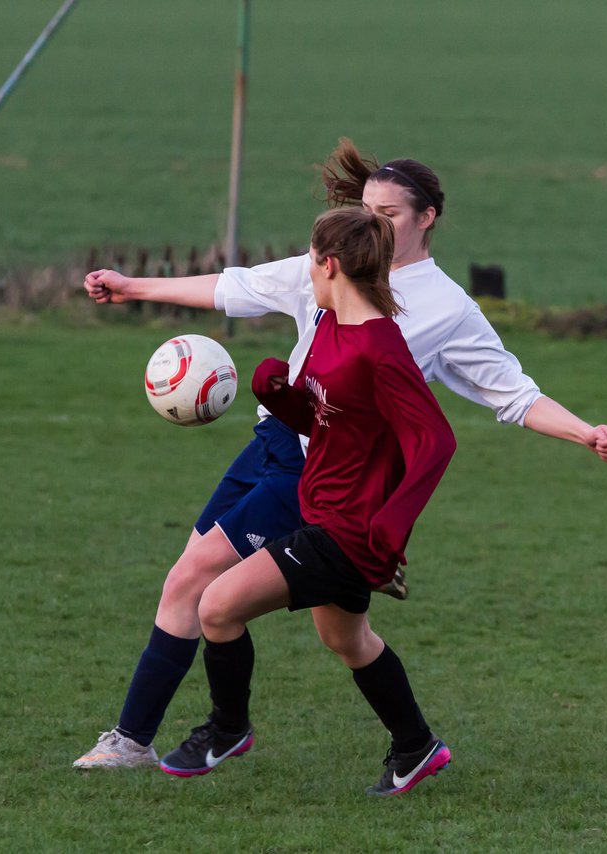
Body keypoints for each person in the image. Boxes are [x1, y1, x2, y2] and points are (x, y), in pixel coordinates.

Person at [73, 139, 607, 770]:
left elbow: (511, 394)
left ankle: (146, 739)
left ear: (426, 219)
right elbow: (237, 287)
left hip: (323, 469)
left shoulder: (442, 309)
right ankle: (414, 741)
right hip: (274, 441)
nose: (371, 222)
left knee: (195, 581)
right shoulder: (331, 263)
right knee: (342, 634)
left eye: (387, 214)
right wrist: (132, 286)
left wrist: (584, 430)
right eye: (366, 208)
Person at [160, 206, 456, 795]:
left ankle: (227, 729)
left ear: (332, 263)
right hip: (322, 510)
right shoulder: (326, 324)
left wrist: (390, 531)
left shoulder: (380, 347)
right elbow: (326, 420)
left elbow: (436, 441)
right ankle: (417, 746)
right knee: (347, 640)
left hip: (348, 530)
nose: (307, 271)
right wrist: (279, 393)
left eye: (311, 259)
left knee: (217, 606)